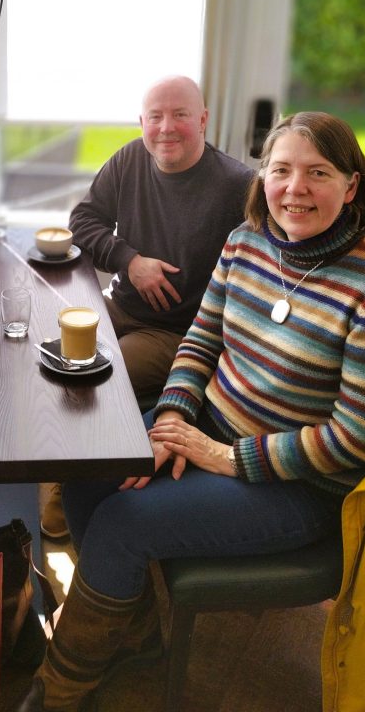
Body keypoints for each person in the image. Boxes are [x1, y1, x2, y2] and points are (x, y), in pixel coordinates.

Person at [18, 112, 365, 712]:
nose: (296, 188)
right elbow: (199, 341)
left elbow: (357, 437)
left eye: (318, 173)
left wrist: (226, 456)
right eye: (282, 170)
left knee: (122, 523)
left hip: (299, 485)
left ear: (351, 185)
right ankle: (134, 641)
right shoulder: (246, 242)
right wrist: (174, 419)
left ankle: (61, 685)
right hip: (207, 431)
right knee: (89, 473)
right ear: (263, 178)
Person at [41, 76, 252, 540]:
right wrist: (129, 261)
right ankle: (54, 466)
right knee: (48, 353)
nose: (166, 128)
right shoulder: (129, 159)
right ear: (142, 122)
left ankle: (62, 486)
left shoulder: (238, 185)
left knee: (97, 374)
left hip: (183, 332)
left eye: (179, 115)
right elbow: (83, 221)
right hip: (121, 303)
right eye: (154, 117)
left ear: (203, 120)